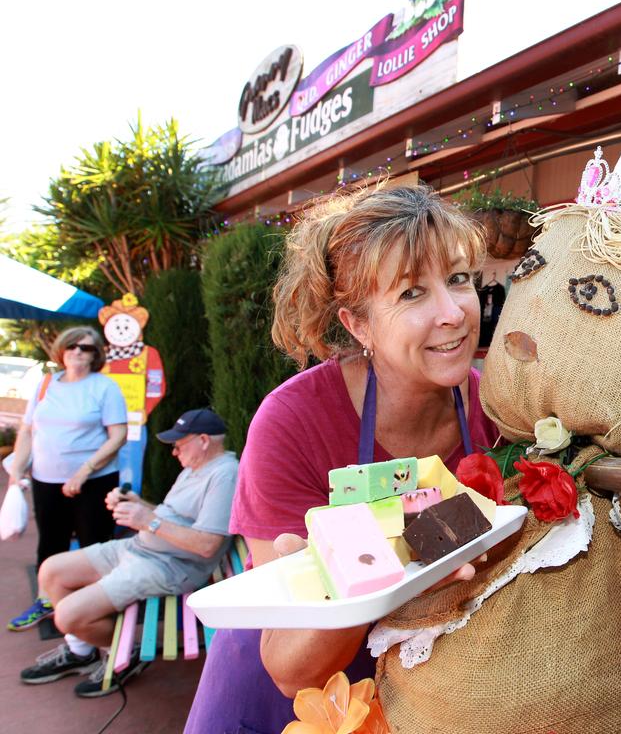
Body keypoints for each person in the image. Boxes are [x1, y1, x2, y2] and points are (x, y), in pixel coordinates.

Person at [184, 184, 500, 734]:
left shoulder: (500, 408)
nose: (453, 313)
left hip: (427, 700)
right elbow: (288, 666)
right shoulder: (292, 422)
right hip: (289, 707)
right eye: (410, 294)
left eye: (458, 279)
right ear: (357, 324)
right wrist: (379, 575)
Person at [19, 408, 239, 698]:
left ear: (203, 440)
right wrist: (137, 504)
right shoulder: (197, 467)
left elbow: (207, 544)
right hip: (141, 548)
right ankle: (83, 652)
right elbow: (173, 516)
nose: (174, 452)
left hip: (170, 566)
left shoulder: (224, 475)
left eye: (178, 444)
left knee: (67, 616)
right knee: (51, 570)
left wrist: (148, 521)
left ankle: (124, 653)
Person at [6, 326, 127, 632]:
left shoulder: (105, 387)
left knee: (94, 544)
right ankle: (46, 600)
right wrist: (15, 473)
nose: (77, 352)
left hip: (94, 480)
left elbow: (118, 435)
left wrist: (85, 470)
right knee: (50, 540)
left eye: (85, 348)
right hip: (45, 479)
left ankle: (95, 609)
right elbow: (27, 431)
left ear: (95, 354)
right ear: (61, 349)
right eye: (72, 346)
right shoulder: (46, 384)